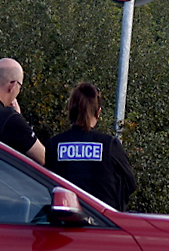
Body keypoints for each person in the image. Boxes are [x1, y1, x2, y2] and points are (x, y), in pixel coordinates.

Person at [46, 83, 136, 211]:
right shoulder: (110, 145)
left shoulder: (54, 145)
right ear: (98, 112)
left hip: (64, 219)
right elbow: (130, 183)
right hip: (103, 220)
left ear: (71, 110)